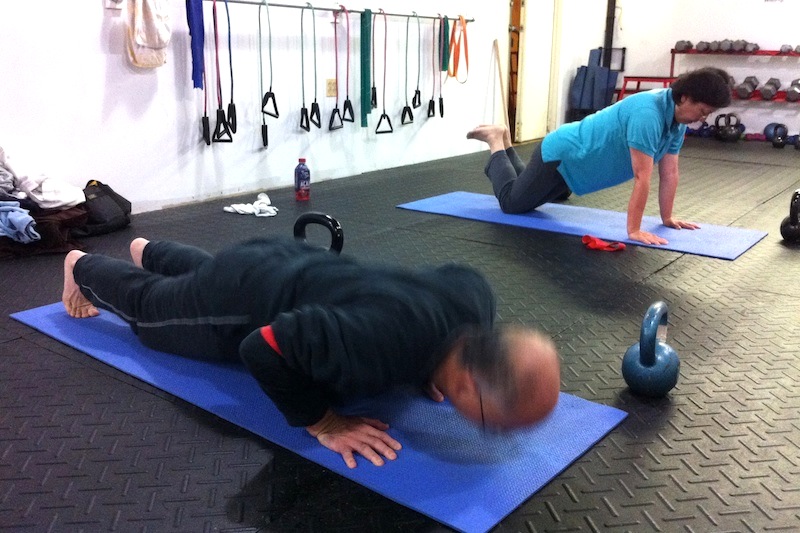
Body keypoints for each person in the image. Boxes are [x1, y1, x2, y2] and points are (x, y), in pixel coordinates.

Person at [62, 236, 561, 468]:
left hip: (289, 263)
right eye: (496, 424)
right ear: (468, 383)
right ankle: (81, 265)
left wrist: (430, 372)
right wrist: (325, 422)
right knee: (150, 314)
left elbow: (448, 276)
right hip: (240, 300)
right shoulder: (376, 346)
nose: (497, 435)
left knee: (203, 275)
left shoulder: (475, 302)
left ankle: (148, 250)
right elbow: (262, 347)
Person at [468, 67, 733, 245]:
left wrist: (667, 218)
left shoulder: (677, 122)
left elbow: (670, 173)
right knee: (512, 204)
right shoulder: (648, 115)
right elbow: (642, 177)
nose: (703, 118)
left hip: (574, 167)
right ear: (684, 98)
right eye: (702, 111)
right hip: (563, 155)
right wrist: (634, 230)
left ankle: (505, 143)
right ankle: (496, 141)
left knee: (532, 195)